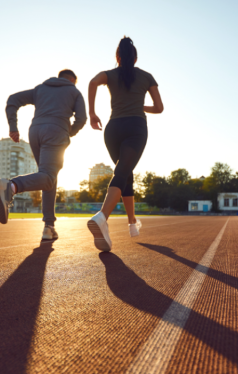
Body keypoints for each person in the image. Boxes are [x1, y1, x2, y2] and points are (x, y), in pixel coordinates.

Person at [87, 37, 164, 252]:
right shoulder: (147, 76)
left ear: (117, 57)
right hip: (135, 127)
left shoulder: (109, 75)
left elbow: (92, 82)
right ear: (136, 57)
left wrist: (92, 114)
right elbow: (159, 108)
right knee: (122, 173)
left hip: (113, 129)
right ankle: (102, 217)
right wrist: (140, 106)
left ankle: (132, 223)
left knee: (124, 172)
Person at [0, 69, 87, 240]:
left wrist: (13, 126)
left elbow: (13, 99)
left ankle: (49, 227)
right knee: (48, 176)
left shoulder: (40, 89)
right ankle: (10, 187)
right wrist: (69, 131)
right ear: (72, 80)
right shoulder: (74, 91)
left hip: (35, 131)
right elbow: (81, 118)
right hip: (56, 131)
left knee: (47, 178)